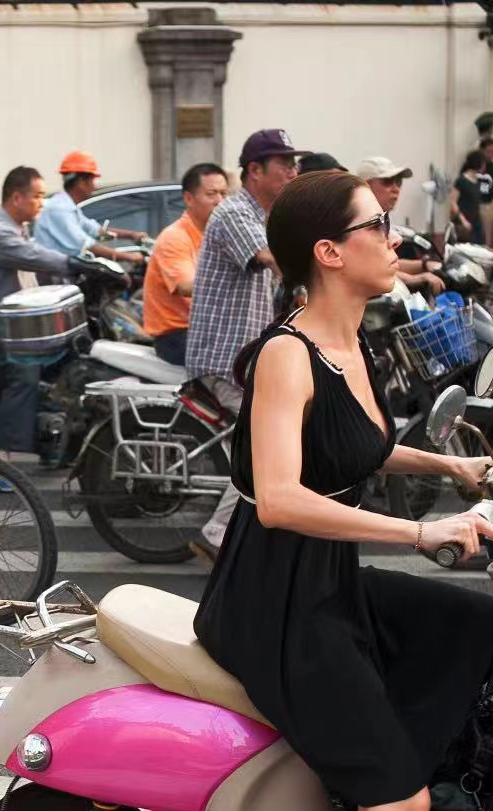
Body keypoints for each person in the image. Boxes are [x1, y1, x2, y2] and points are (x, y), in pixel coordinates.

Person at [193, 171, 493, 811]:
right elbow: (286, 498)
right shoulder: (285, 355)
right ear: (330, 253)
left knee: (486, 623)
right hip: (277, 599)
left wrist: (454, 468)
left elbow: (357, 448)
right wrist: (421, 530)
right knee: (396, 801)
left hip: (327, 578)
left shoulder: (350, 339)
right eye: (378, 225)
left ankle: (391, 794)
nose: (394, 235)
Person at [188, 127, 305, 558]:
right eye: (284, 165)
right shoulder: (234, 213)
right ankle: (217, 533)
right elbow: (272, 258)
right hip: (224, 358)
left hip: (251, 356)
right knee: (269, 438)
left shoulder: (264, 216)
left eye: (295, 164)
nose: (293, 172)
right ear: (255, 170)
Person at [0, 166, 75, 461]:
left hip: (15, 319)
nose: (43, 202)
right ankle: (4, 455)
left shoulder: (20, 229)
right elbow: (36, 257)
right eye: (37, 196)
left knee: (63, 357)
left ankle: (48, 439)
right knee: (23, 370)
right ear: (16, 198)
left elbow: (41, 265)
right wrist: (74, 264)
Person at [142, 162, 227, 366]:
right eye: (212, 194)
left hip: (205, 329)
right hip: (178, 337)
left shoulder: (213, 234)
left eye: (224, 193)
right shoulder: (175, 237)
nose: (220, 201)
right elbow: (186, 286)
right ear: (189, 198)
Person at [33, 151, 144, 264]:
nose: (94, 186)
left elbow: (94, 230)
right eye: (92, 181)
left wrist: (132, 235)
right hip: (53, 275)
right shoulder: (59, 209)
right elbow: (86, 245)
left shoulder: (69, 207)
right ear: (81, 182)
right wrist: (129, 257)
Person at [352, 155, 442, 295]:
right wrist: (411, 278)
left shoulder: (380, 221)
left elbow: (387, 263)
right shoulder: (356, 224)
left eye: (398, 182)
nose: (396, 189)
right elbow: (361, 268)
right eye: (387, 181)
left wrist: (425, 265)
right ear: (366, 186)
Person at [449, 149, 493, 247]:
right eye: (483, 163)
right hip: (464, 222)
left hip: (476, 222)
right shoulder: (461, 180)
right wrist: (463, 220)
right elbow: (453, 202)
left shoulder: (479, 181)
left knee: (481, 247)